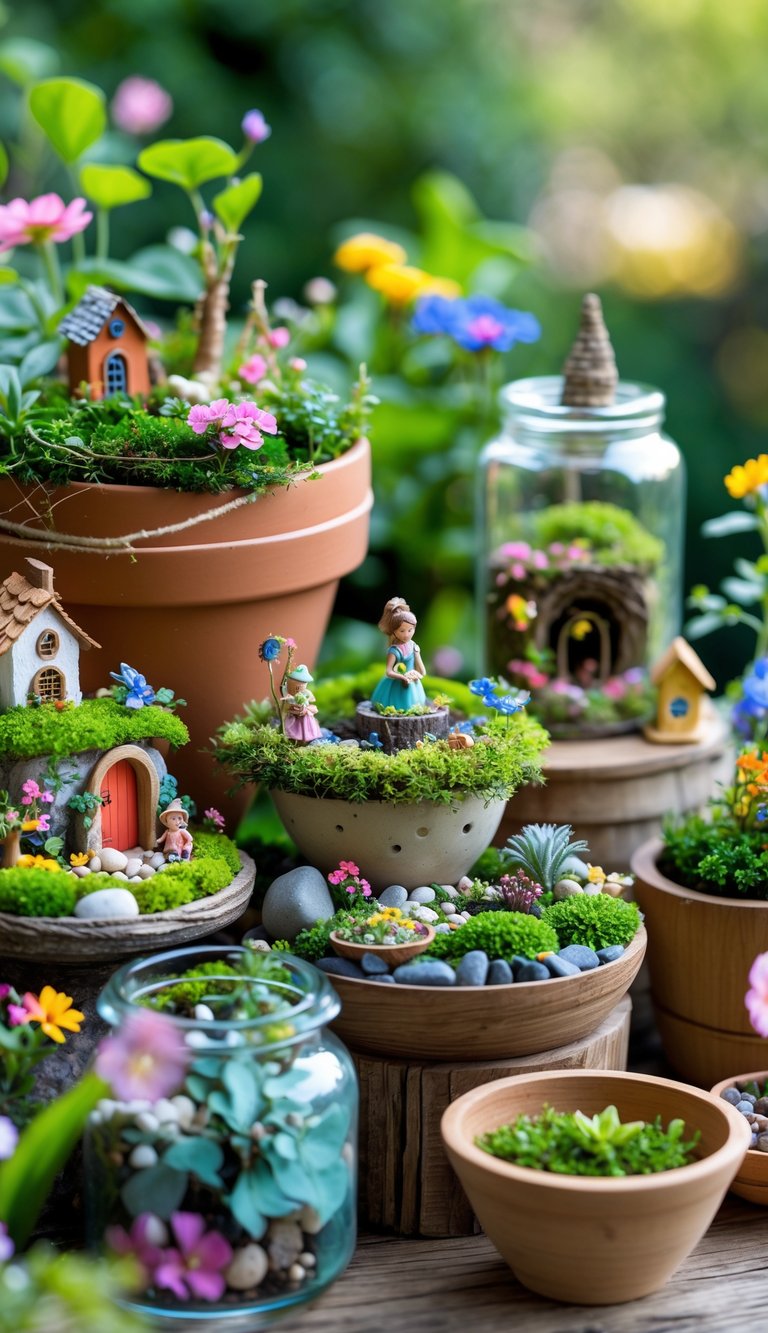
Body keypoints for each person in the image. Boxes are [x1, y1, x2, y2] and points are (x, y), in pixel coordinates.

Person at [370, 597, 427, 712]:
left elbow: (422, 671)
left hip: (413, 685)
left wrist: (417, 675)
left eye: (410, 630)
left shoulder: (414, 647)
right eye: (402, 631)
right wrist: (402, 677)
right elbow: (389, 671)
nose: (406, 635)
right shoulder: (394, 651)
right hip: (396, 685)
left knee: (414, 705)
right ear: (394, 631)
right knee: (397, 706)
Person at [281, 664, 323, 742]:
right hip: (294, 712)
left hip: (304, 713)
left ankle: (304, 739)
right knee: (292, 725)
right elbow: (289, 697)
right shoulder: (290, 694)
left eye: (303, 683)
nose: (299, 686)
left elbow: (312, 699)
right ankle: (291, 737)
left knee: (305, 726)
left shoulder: (306, 693)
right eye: (297, 682)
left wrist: (304, 700)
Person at [155, 798, 193, 862]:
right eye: (173, 819)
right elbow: (162, 838)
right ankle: (172, 858)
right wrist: (158, 841)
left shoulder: (181, 831)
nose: (177, 822)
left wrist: (187, 844)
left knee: (180, 853)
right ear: (167, 822)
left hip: (179, 849)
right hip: (168, 849)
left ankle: (182, 857)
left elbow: (189, 838)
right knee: (169, 855)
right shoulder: (167, 831)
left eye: (179, 818)